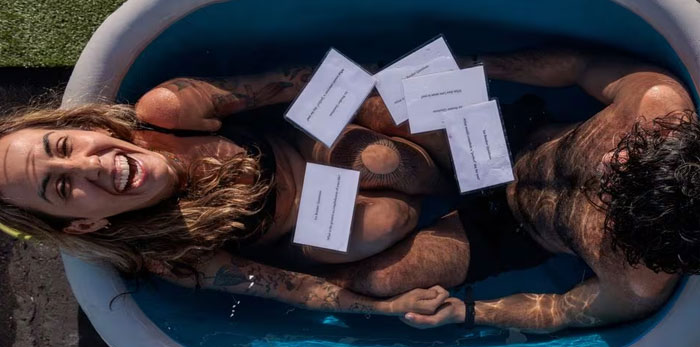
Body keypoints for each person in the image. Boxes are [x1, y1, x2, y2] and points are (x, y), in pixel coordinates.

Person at [0, 67, 460, 320]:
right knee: (387, 225)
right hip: (301, 225)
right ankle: (461, 205)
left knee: (375, 155)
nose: (90, 164)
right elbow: (288, 287)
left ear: (80, 128)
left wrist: (400, 79)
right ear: (83, 225)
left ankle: (460, 179)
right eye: (62, 186)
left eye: (63, 147)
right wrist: (383, 307)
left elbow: (292, 83)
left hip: (298, 145)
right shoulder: (170, 252)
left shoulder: (166, 111)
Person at [373, 48, 697, 333]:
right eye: (630, 152)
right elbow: (579, 66)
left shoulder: (638, 282)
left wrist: (466, 312)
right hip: (511, 140)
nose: (608, 160)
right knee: (378, 106)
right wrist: (474, 64)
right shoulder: (656, 102)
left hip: (509, 232)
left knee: (381, 281)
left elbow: (561, 311)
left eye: (613, 188)